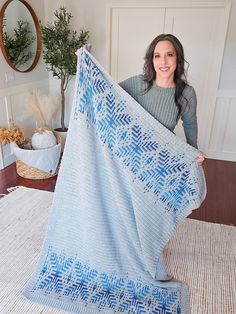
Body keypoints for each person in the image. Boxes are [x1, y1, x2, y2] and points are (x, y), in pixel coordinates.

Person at [119, 34, 205, 165]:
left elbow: (190, 124)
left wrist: (193, 151)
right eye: (157, 56)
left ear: (178, 58)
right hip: (131, 154)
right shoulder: (138, 83)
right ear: (152, 60)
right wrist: (87, 63)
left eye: (169, 55)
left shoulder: (187, 93)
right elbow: (106, 92)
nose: (163, 62)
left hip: (162, 157)